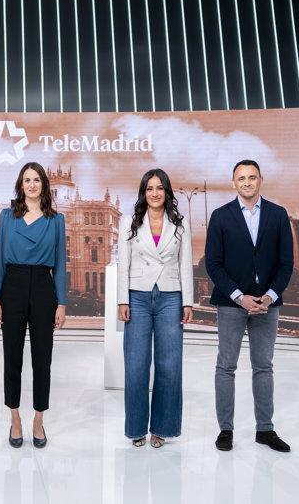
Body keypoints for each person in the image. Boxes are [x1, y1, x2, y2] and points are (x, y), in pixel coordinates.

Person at [206, 159, 293, 453]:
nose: (246, 182)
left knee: (264, 367)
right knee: (226, 366)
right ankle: (226, 430)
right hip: (231, 303)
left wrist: (269, 296)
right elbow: (213, 265)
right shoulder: (220, 216)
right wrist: (238, 296)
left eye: (251, 177)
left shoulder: (279, 215)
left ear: (260, 180)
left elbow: (285, 264)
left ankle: (265, 430)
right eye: (241, 178)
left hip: (267, 304)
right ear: (234, 183)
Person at [0, 162, 67, 449]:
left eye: (37, 180)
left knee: (42, 359)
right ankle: (15, 418)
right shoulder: (6, 217)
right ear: (20, 185)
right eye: (27, 180)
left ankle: (38, 418)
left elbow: (60, 264)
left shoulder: (56, 220)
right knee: (12, 356)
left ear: (44, 185)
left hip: (43, 288)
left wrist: (62, 302)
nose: (32, 185)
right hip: (12, 285)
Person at [117, 169, 193, 448]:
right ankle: (136, 428)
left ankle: (162, 427)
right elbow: (123, 263)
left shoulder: (180, 223)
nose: (155, 193)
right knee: (136, 364)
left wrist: (188, 302)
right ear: (143, 192)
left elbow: (185, 263)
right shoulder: (129, 222)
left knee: (170, 365)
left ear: (167, 192)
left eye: (160, 188)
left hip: (171, 297)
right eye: (149, 188)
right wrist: (122, 299)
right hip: (137, 297)